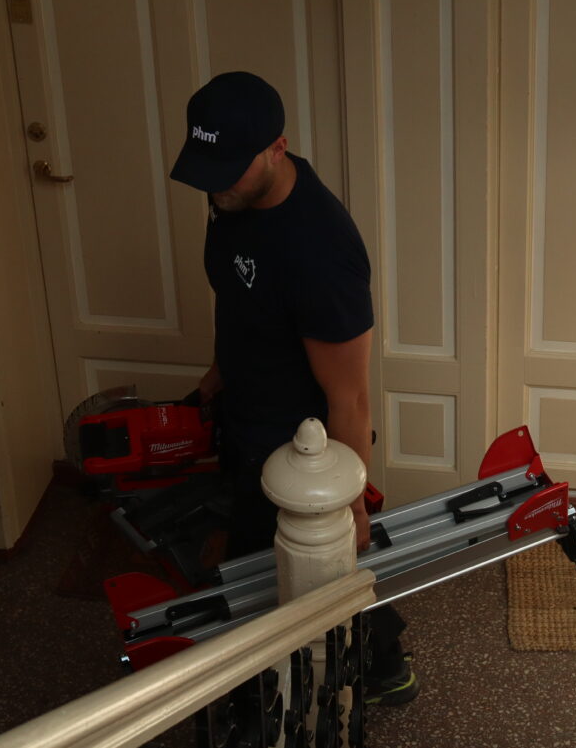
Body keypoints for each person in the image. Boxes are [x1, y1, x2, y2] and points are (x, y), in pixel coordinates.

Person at [169, 71, 418, 707]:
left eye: (228, 171)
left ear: (277, 148)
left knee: (299, 571)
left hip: (299, 448)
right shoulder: (231, 198)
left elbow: (350, 398)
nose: (214, 186)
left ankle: (381, 666)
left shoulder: (320, 249)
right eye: (207, 171)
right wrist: (217, 375)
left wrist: (349, 506)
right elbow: (238, 299)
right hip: (245, 413)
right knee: (269, 567)